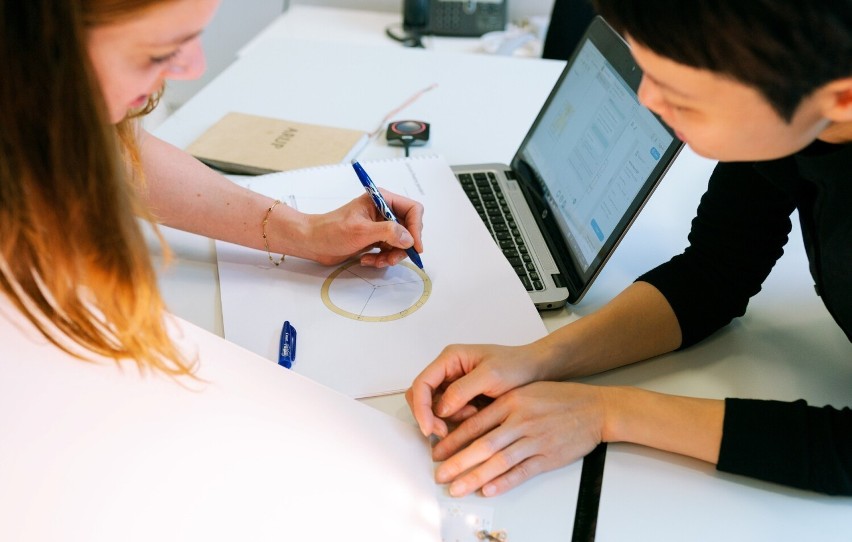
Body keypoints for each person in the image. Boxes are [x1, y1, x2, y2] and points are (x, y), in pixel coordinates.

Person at [406, 0, 852, 498]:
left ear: (842, 98)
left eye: (684, 93)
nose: (648, 101)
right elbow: (716, 274)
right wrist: (536, 359)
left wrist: (606, 412)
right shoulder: (789, 114)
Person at [0, 0, 423, 375]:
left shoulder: (47, 105)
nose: (195, 66)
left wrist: (306, 233)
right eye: (160, 52)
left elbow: (117, 155)